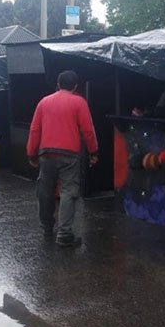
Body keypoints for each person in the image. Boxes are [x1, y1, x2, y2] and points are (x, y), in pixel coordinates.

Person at [27, 70, 98, 247]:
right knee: (68, 191)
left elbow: (35, 130)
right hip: (70, 155)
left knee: (45, 190)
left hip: (46, 154)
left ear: (58, 84)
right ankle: (64, 234)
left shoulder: (44, 102)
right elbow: (88, 130)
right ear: (75, 86)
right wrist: (93, 152)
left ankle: (47, 228)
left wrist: (31, 153)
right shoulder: (79, 102)